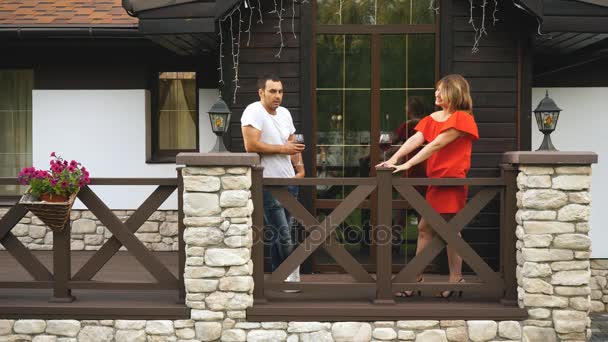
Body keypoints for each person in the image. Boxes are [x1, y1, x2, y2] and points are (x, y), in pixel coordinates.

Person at [378, 74, 479, 298]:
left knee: (440, 229)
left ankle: (420, 279)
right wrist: (395, 159)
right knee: (446, 230)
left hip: (451, 182)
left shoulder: (463, 118)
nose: (436, 94)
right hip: (435, 183)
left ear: (453, 92)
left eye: (440, 90)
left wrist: (410, 164)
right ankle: (450, 279)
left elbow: (437, 144)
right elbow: (415, 140)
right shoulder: (433, 118)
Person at [241, 74, 304, 286]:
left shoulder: (285, 113)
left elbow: (292, 143)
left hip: (290, 182)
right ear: (261, 92)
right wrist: (282, 149)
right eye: (272, 91)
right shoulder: (253, 111)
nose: (277, 96)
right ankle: (292, 276)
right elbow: (251, 145)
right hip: (268, 184)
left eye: (280, 91)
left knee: (284, 233)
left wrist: (300, 170)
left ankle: (279, 278)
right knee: (284, 235)